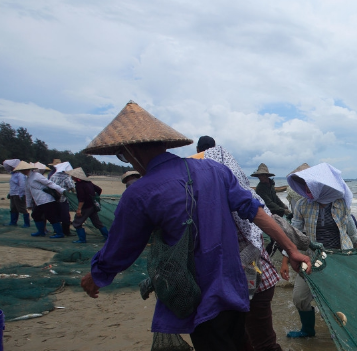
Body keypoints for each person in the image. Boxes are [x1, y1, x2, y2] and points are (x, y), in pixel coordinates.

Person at [79, 101, 310, 351]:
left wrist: (97, 276)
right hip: (236, 286)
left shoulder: (139, 193)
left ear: (130, 152)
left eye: (123, 156)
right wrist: (292, 249)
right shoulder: (214, 170)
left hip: (199, 295)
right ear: (166, 144)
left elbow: (122, 248)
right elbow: (256, 211)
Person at [197, 144, 284, 351]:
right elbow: (265, 209)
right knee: (249, 339)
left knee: (259, 342)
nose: (263, 178)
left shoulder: (235, 196)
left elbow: (269, 206)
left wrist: (281, 211)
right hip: (245, 281)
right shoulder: (251, 193)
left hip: (252, 281)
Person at [283, 162, 357, 339]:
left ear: (319, 185)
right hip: (313, 258)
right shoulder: (302, 205)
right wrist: (286, 258)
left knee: (340, 297)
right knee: (299, 298)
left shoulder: (339, 204)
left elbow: (350, 226)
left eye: (308, 185)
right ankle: (308, 330)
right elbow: (294, 232)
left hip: (340, 258)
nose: (305, 189)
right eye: (304, 185)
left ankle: (345, 331)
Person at [14, 161, 66, 238]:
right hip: (38, 201)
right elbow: (28, 192)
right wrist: (29, 204)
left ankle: (59, 233)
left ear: (26, 169)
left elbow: (49, 183)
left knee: (51, 216)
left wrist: (61, 190)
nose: (22, 172)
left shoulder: (36, 175)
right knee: (36, 215)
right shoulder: (28, 179)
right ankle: (41, 231)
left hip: (47, 200)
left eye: (22, 170)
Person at [68, 167, 109, 243]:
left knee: (77, 223)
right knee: (97, 222)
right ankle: (107, 237)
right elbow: (99, 189)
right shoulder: (89, 183)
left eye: (73, 176)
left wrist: (79, 209)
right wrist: (95, 198)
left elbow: (81, 198)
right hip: (93, 206)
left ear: (76, 177)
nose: (72, 177)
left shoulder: (79, 185)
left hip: (86, 207)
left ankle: (82, 239)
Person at [49, 162, 76, 236]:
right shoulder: (66, 177)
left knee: (56, 215)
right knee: (65, 216)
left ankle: (56, 230)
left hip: (53, 199)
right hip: (63, 199)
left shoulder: (53, 176)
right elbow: (71, 187)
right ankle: (66, 232)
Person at [3, 159, 30, 228]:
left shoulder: (20, 174)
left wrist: (21, 194)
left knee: (22, 208)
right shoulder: (14, 174)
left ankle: (26, 223)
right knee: (13, 208)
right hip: (13, 194)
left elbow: (22, 185)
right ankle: (13, 222)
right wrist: (10, 193)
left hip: (18, 194)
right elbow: (13, 185)